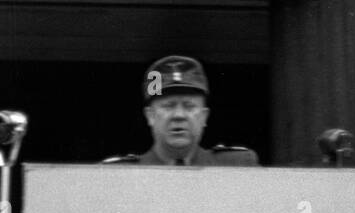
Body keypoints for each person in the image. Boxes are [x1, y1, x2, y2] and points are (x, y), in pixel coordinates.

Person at [102, 55, 259, 166]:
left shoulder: (238, 167)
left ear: (204, 116)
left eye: (189, 106)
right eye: (168, 105)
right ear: (149, 115)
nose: (179, 115)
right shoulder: (120, 175)